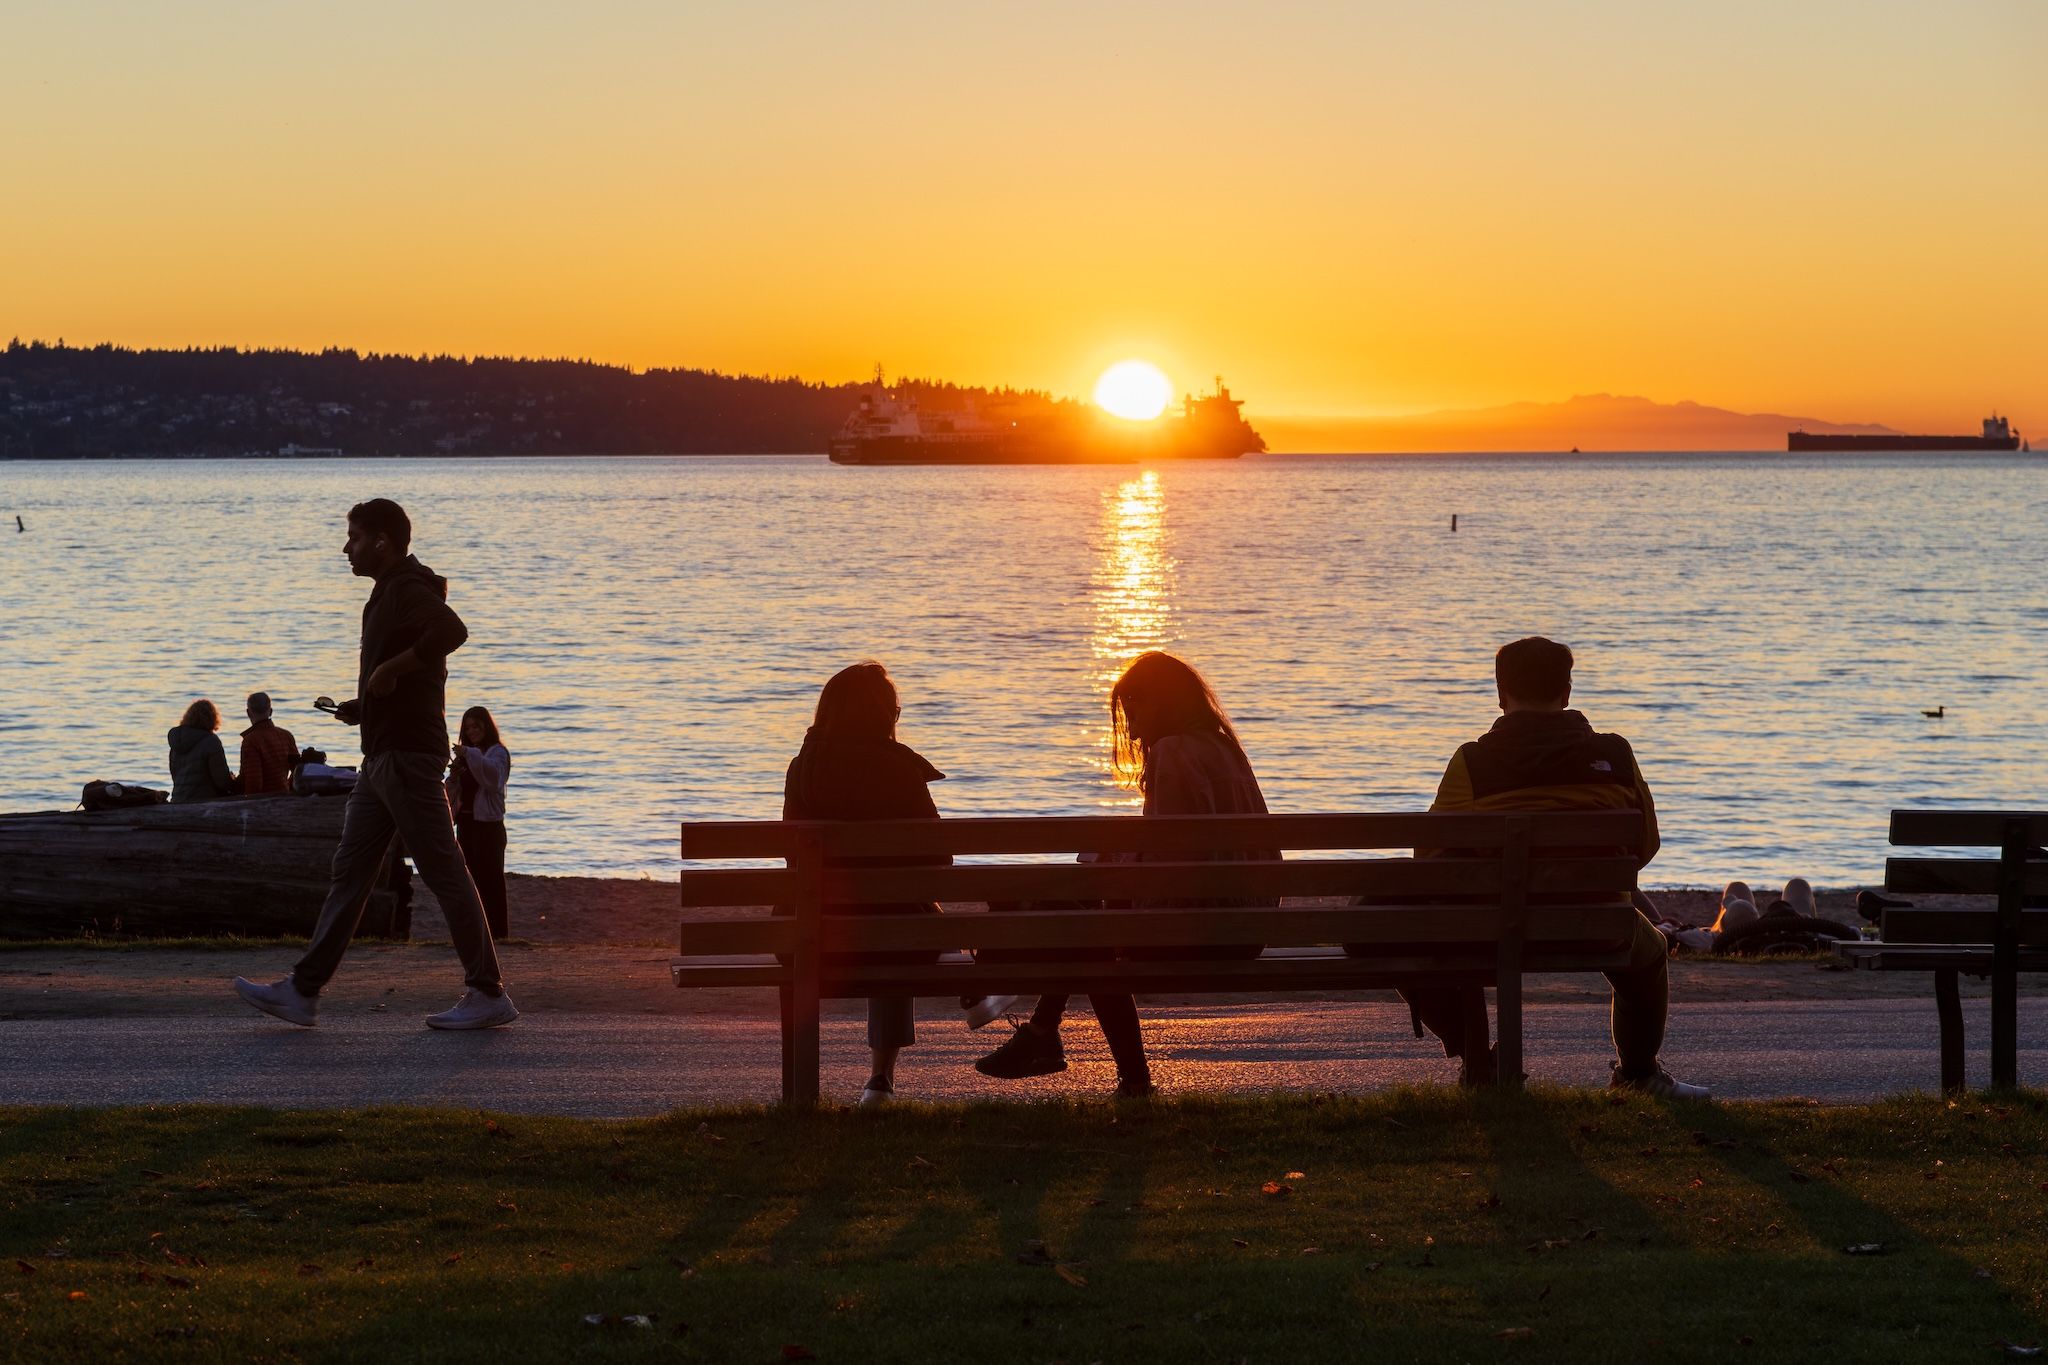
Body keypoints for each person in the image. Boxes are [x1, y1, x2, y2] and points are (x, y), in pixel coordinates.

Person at [232, 498, 514, 1030]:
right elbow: (402, 681)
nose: (346, 548)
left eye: (355, 538)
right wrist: (362, 706)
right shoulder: (387, 593)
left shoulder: (408, 588)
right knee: (350, 872)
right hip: (381, 757)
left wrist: (392, 667)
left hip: (407, 757)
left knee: (444, 872)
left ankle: (487, 991)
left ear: (382, 542)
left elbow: (453, 632)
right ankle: (303, 990)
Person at [1389, 637, 1707, 1099]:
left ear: (1501, 695)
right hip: (1597, 921)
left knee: (1404, 926)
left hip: (1492, 927)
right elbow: (1645, 847)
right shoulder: (1616, 755)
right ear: (1566, 693)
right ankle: (1638, 1075)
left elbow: (1432, 861)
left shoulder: (1472, 763)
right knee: (1651, 951)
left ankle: (1476, 1057)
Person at [974, 651, 1275, 1099]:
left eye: (1132, 708)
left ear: (1160, 702)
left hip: (1205, 928)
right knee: (1085, 922)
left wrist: (1114, 866)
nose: (1129, 726)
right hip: (1247, 923)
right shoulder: (1222, 747)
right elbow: (1190, 851)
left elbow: (1170, 871)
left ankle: (1088, 1056)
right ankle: (1045, 1034)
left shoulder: (1172, 753)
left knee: (1086, 933)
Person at [781, 661, 956, 1107]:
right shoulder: (899, 769)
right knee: (898, 921)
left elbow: (792, 857)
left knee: (889, 917)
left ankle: (799, 1090)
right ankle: (880, 1078)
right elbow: (939, 857)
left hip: (807, 938)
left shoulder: (803, 767)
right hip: (893, 938)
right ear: (882, 715)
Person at [446, 705, 512, 940]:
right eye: (468, 727)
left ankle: (498, 935)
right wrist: (453, 777)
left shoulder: (497, 753)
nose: (472, 731)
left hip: (488, 826)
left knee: (491, 881)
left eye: (476, 726)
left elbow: (493, 780)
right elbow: (453, 794)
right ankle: (475, 934)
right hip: (465, 825)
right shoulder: (467, 756)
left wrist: (469, 754)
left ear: (487, 726)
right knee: (469, 881)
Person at [166, 699, 234, 803]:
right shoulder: (211, 741)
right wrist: (234, 781)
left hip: (177, 800)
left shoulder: (176, 743)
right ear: (212, 718)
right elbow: (222, 782)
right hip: (203, 803)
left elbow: (175, 777)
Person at [234, 692, 298, 795]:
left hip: (264, 799)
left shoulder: (250, 741)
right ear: (271, 711)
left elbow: (254, 782)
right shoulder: (286, 735)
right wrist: (287, 788)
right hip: (284, 794)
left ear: (248, 713)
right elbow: (297, 771)